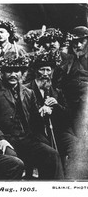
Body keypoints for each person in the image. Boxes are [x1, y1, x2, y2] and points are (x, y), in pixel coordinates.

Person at [0, 54, 64, 179]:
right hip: (6, 140)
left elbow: (35, 120)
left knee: (52, 155)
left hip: (26, 139)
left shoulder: (28, 92)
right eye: (9, 71)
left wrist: (44, 111)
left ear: (22, 73)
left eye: (17, 71)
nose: (13, 74)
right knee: (14, 162)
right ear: (2, 73)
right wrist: (0, 138)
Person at [24, 50, 78, 176]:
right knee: (49, 153)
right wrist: (40, 112)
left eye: (48, 70)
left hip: (57, 132)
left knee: (77, 145)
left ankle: (70, 178)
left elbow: (67, 117)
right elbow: (23, 116)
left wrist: (56, 106)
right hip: (37, 133)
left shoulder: (56, 91)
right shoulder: (26, 90)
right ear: (36, 71)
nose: (45, 74)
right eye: (42, 70)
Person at [57, 26, 88, 179]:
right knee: (71, 144)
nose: (78, 46)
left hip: (84, 109)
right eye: (75, 43)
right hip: (69, 108)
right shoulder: (69, 59)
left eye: (82, 41)